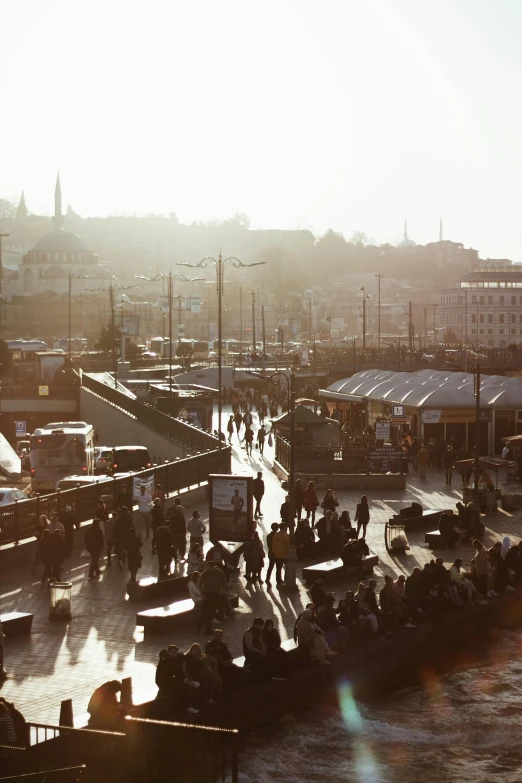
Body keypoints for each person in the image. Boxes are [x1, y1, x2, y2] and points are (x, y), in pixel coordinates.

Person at [182, 644, 218, 713]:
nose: (196, 652)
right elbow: (184, 669)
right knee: (204, 682)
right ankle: (205, 699)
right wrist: (187, 676)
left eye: (198, 651)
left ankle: (210, 698)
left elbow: (200, 668)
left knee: (211, 679)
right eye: (194, 650)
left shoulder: (197, 658)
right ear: (191, 650)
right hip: (190, 676)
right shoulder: (186, 657)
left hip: (197, 674)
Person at [200, 561, 228, 634]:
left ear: (213, 566)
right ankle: (207, 628)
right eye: (207, 567)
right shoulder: (205, 572)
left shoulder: (219, 572)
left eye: (210, 567)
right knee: (208, 611)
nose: (209, 569)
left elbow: (224, 581)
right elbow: (200, 582)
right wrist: (202, 593)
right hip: (207, 594)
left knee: (211, 611)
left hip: (215, 594)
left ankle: (208, 628)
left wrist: (224, 588)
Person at [169, 499, 187, 563]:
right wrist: (185, 532)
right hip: (181, 533)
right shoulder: (182, 517)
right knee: (183, 544)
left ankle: (176, 557)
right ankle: (182, 556)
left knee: (175, 545)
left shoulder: (172, 517)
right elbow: (184, 525)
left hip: (174, 533)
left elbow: (170, 525)